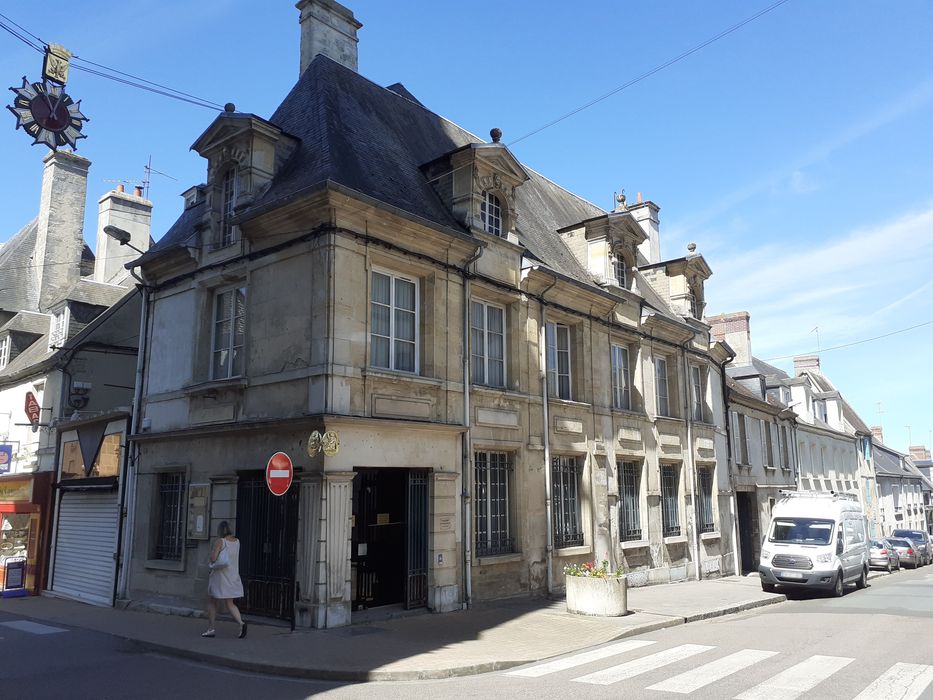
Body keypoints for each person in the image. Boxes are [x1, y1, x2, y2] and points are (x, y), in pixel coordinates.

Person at [201, 520, 247, 639]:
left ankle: (211, 629)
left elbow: (213, 558)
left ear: (220, 530)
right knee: (230, 603)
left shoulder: (220, 541)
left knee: (212, 602)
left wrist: (212, 554)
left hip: (220, 577)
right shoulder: (237, 542)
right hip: (232, 576)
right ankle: (241, 623)